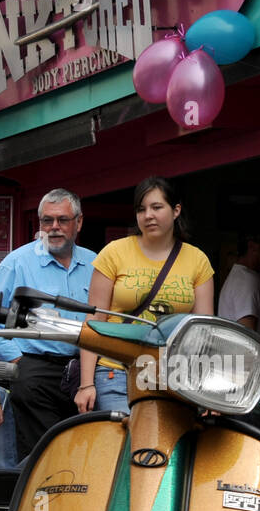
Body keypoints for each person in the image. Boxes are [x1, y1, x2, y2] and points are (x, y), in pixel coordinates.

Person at [78, 177, 215, 416]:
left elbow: (203, 333)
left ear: (176, 210)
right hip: (116, 372)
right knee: (127, 447)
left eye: (157, 207)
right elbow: (93, 322)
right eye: (141, 209)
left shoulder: (197, 260)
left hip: (174, 377)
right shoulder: (114, 253)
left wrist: (207, 392)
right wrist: (86, 384)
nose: (148, 215)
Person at [0, 188, 95, 461]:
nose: (54, 228)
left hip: (86, 371)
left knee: (84, 455)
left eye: (62, 220)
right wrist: (18, 361)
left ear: (78, 222)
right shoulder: (16, 263)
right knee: (43, 458)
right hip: (35, 369)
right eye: (46, 221)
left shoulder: (96, 263)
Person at [219, 226, 260, 386]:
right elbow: (247, 340)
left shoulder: (244, 278)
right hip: (255, 386)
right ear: (253, 246)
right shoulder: (246, 282)